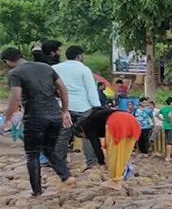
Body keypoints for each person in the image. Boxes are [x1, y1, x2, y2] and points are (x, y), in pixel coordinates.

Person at [1, 47, 74, 196]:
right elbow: (62, 89)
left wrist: (6, 120)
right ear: (21, 55)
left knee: (32, 154)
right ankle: (66, 177)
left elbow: (15, 97)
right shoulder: (46, 67)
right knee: (49, 149)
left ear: (7, 61)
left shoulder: (15, 73)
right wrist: (65, 111)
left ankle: (37, 191)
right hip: (54, 115)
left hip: (35, 117)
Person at [51, 45, 102, 171]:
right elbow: (91, 90)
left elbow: (50, 87)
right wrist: (97, 106)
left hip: (63, 107)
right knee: (88, 134)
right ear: (79, 56)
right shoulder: (84, 69)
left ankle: (60, 164)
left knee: (63, 136)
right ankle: (91, 163)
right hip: (83, 107)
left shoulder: (54, 68)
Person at [158, 98, 172, 162]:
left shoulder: (163, 108)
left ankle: (170, 155)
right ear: (171, 103)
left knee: (168, 140)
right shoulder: (171, 109)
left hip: (165, 126)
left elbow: (156, 115)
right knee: (170, 141)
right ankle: (168, 156)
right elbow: (169, 115)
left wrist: (162, 120)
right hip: (171, 127)